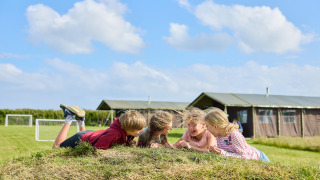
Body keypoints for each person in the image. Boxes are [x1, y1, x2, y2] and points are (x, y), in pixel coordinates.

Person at [53, 104, 146, 149]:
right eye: (139, 129)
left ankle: (81, 120)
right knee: (56, 148)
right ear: (129, 128)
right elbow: (96, 149)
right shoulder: (114, 134)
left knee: (87, 140)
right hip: (81, 137)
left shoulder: (124, 131)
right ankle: (69, 117)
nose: (141, 131)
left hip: (91, 134)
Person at [204, 108, 270, 162]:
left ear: (216, 127)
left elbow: (245, 157)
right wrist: (216, 151)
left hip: (259, 158)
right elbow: (227, 152)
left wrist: (222, 153)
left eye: (207, 126)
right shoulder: (219, 136)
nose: (207, 129)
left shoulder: (234, 135)